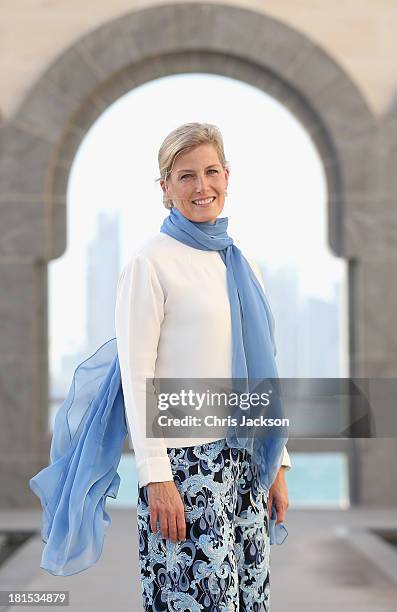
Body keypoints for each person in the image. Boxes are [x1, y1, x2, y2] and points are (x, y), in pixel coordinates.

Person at [115, 122, 291, 611]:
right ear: (165, 189)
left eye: (211, 172)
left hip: (246, 465)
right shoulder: (150, 263)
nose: (201, 186)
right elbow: (137, 374)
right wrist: (156, 477)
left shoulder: (240, 262)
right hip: (185, 467)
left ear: (228, 176)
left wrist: (278, 465)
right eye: (186, 176)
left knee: (249, 602)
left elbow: (262, 370)